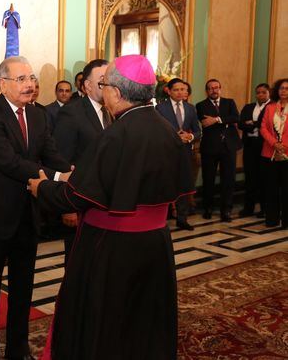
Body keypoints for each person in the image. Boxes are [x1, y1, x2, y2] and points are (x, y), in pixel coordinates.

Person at [29, 55, 193, 359]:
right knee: (144, 315)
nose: (103, 91)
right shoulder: (166, 128)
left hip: (113, 246)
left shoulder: (116, 135)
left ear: (116, 92)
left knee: (108, 318)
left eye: (104, 85)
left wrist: (43, 188)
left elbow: (76, 196)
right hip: (156, 243)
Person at [0, 56, 69, 360]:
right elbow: (9, 162)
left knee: (23, 289)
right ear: (3, 84)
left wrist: (73, 171)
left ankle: (17, 348)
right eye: (22, 79)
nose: (30, 85)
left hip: (27, 215)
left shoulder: (37, 115)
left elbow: (49, 151)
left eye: (31, 78)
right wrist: (57, 177)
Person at [51, 59, 109, 263]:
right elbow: (62, 159)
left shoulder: (111, 111)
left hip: (103, 204)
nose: (108, 84)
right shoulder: (72, 112)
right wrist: (68, 207)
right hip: (79, 201)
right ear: (87, 85)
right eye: (102, 80)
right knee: (77, 260)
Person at [156, 78, 201, 230]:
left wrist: (190, 137)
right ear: (169, 91)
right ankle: (162, 219)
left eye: (183, 89)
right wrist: (176, 136)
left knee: (183, 186)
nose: (180, 92)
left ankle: (182, 218)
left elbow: (198, 131)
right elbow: (157, 131)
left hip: (186, 154)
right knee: (165, 185)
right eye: (176, 89)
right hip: (167, 154)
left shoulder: (190, 108)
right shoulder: (160, 108)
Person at [196, 79, 242, 222]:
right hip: (210, 148)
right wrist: (225, 121)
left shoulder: (230, 102)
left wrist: (217, 119)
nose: (214, 90)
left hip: (228, 146)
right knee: (208, 179)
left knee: (228, 179)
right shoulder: (200, 105)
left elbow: (236, 117)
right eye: (210, 88)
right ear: (207, 91)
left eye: (216, 88)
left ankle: (226, 210)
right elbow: (205, 122)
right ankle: (208, 208)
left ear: (220, 89)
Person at [238, 83, 271, 217]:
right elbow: (241, 124)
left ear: (269, 93)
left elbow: (268, 124)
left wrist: (253, 123)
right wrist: (253, 126)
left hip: (265, 146)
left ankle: (264, 209)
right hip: (250, 145)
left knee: (264, 178)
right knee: (250, 177)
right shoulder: (249, 107)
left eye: (263, 92)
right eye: (258, 92)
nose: (260, 95)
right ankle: (248, 208)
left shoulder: (272, 107)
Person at [260, 78, 288, 228]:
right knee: (271, 188)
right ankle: (271, 219)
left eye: (287, 88)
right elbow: (263, 128)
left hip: (287, 153)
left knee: (286, 189)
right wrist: (274, 143)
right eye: (281, 88)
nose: (283, 91)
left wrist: (283, 145)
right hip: (270, 152)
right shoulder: (270, 107)